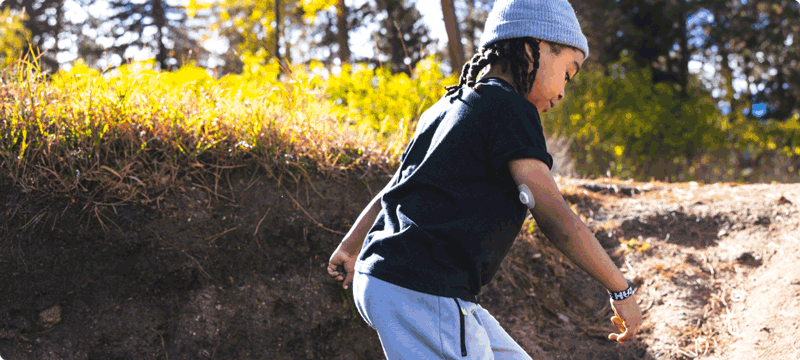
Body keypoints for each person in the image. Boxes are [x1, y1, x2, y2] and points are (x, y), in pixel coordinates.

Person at [327, 0, 643, 358]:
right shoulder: (510, 108)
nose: (561, 94)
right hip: (424, 287)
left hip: (386, 275)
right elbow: (554, 215)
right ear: (534, 48)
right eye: (567, 74)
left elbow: (396, 187)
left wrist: (350, 247)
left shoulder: (446, 107)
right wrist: (620, 289)